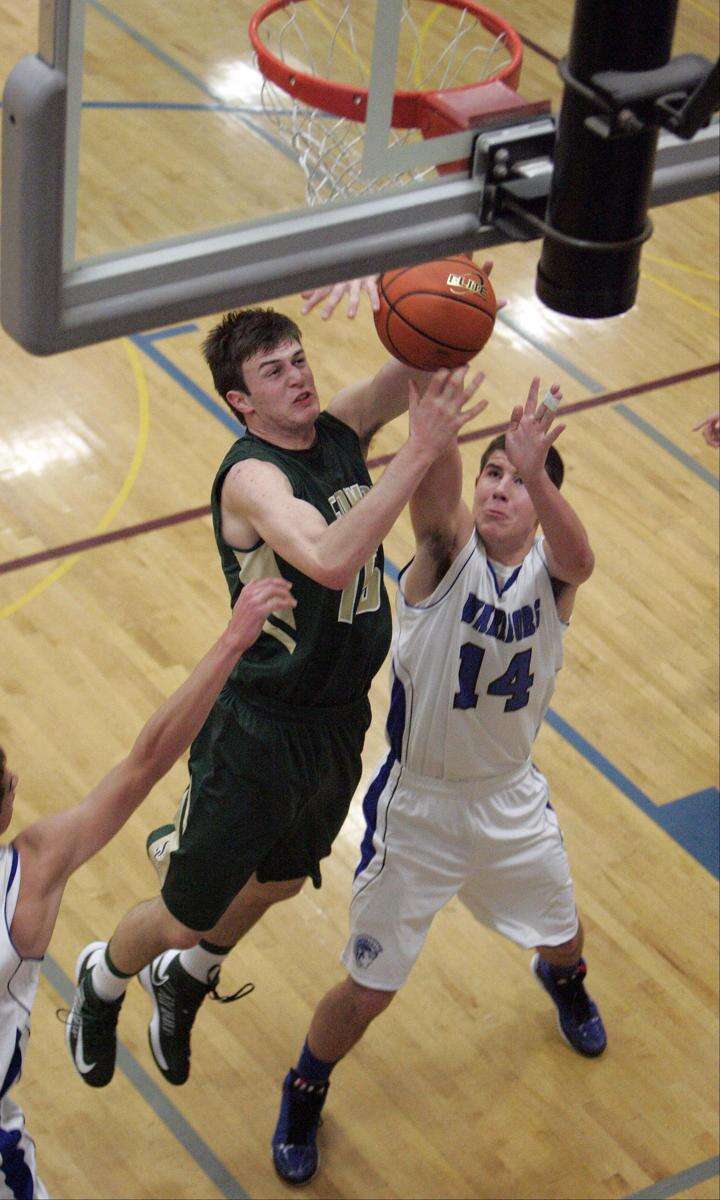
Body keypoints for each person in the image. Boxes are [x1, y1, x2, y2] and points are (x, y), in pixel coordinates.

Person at [67, 300, 488, 1091]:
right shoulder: (253, 478)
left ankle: (187, 977)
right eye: (273, 371)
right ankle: (104, 976)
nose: (297, 376)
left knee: (283, 880)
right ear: (241, 401)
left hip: (338, 719)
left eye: (298, 359)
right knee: (184, 914)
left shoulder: (340, 427)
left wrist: (457, 285)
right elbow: (328, 557)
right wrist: (419, 450)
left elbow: (422, 349)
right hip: (258, 728)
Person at [271, 377, 608, 1186]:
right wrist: (434, 383)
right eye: (492, 474)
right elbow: (439, 499)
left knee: (563, 933)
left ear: (541, 505)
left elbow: (581, 558)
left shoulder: (552, 576)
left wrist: (537, 470)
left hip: (509, 798)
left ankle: (563, 980)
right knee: (369, 987)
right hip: (419, 811)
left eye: (517, 481)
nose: (499, 489)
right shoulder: (445, 556)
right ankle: (305, 1087)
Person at [0, 575, 294, 1199]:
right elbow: (145, 763)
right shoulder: (27, 876)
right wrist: (231, 644)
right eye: (5, 782)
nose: (16, 779)